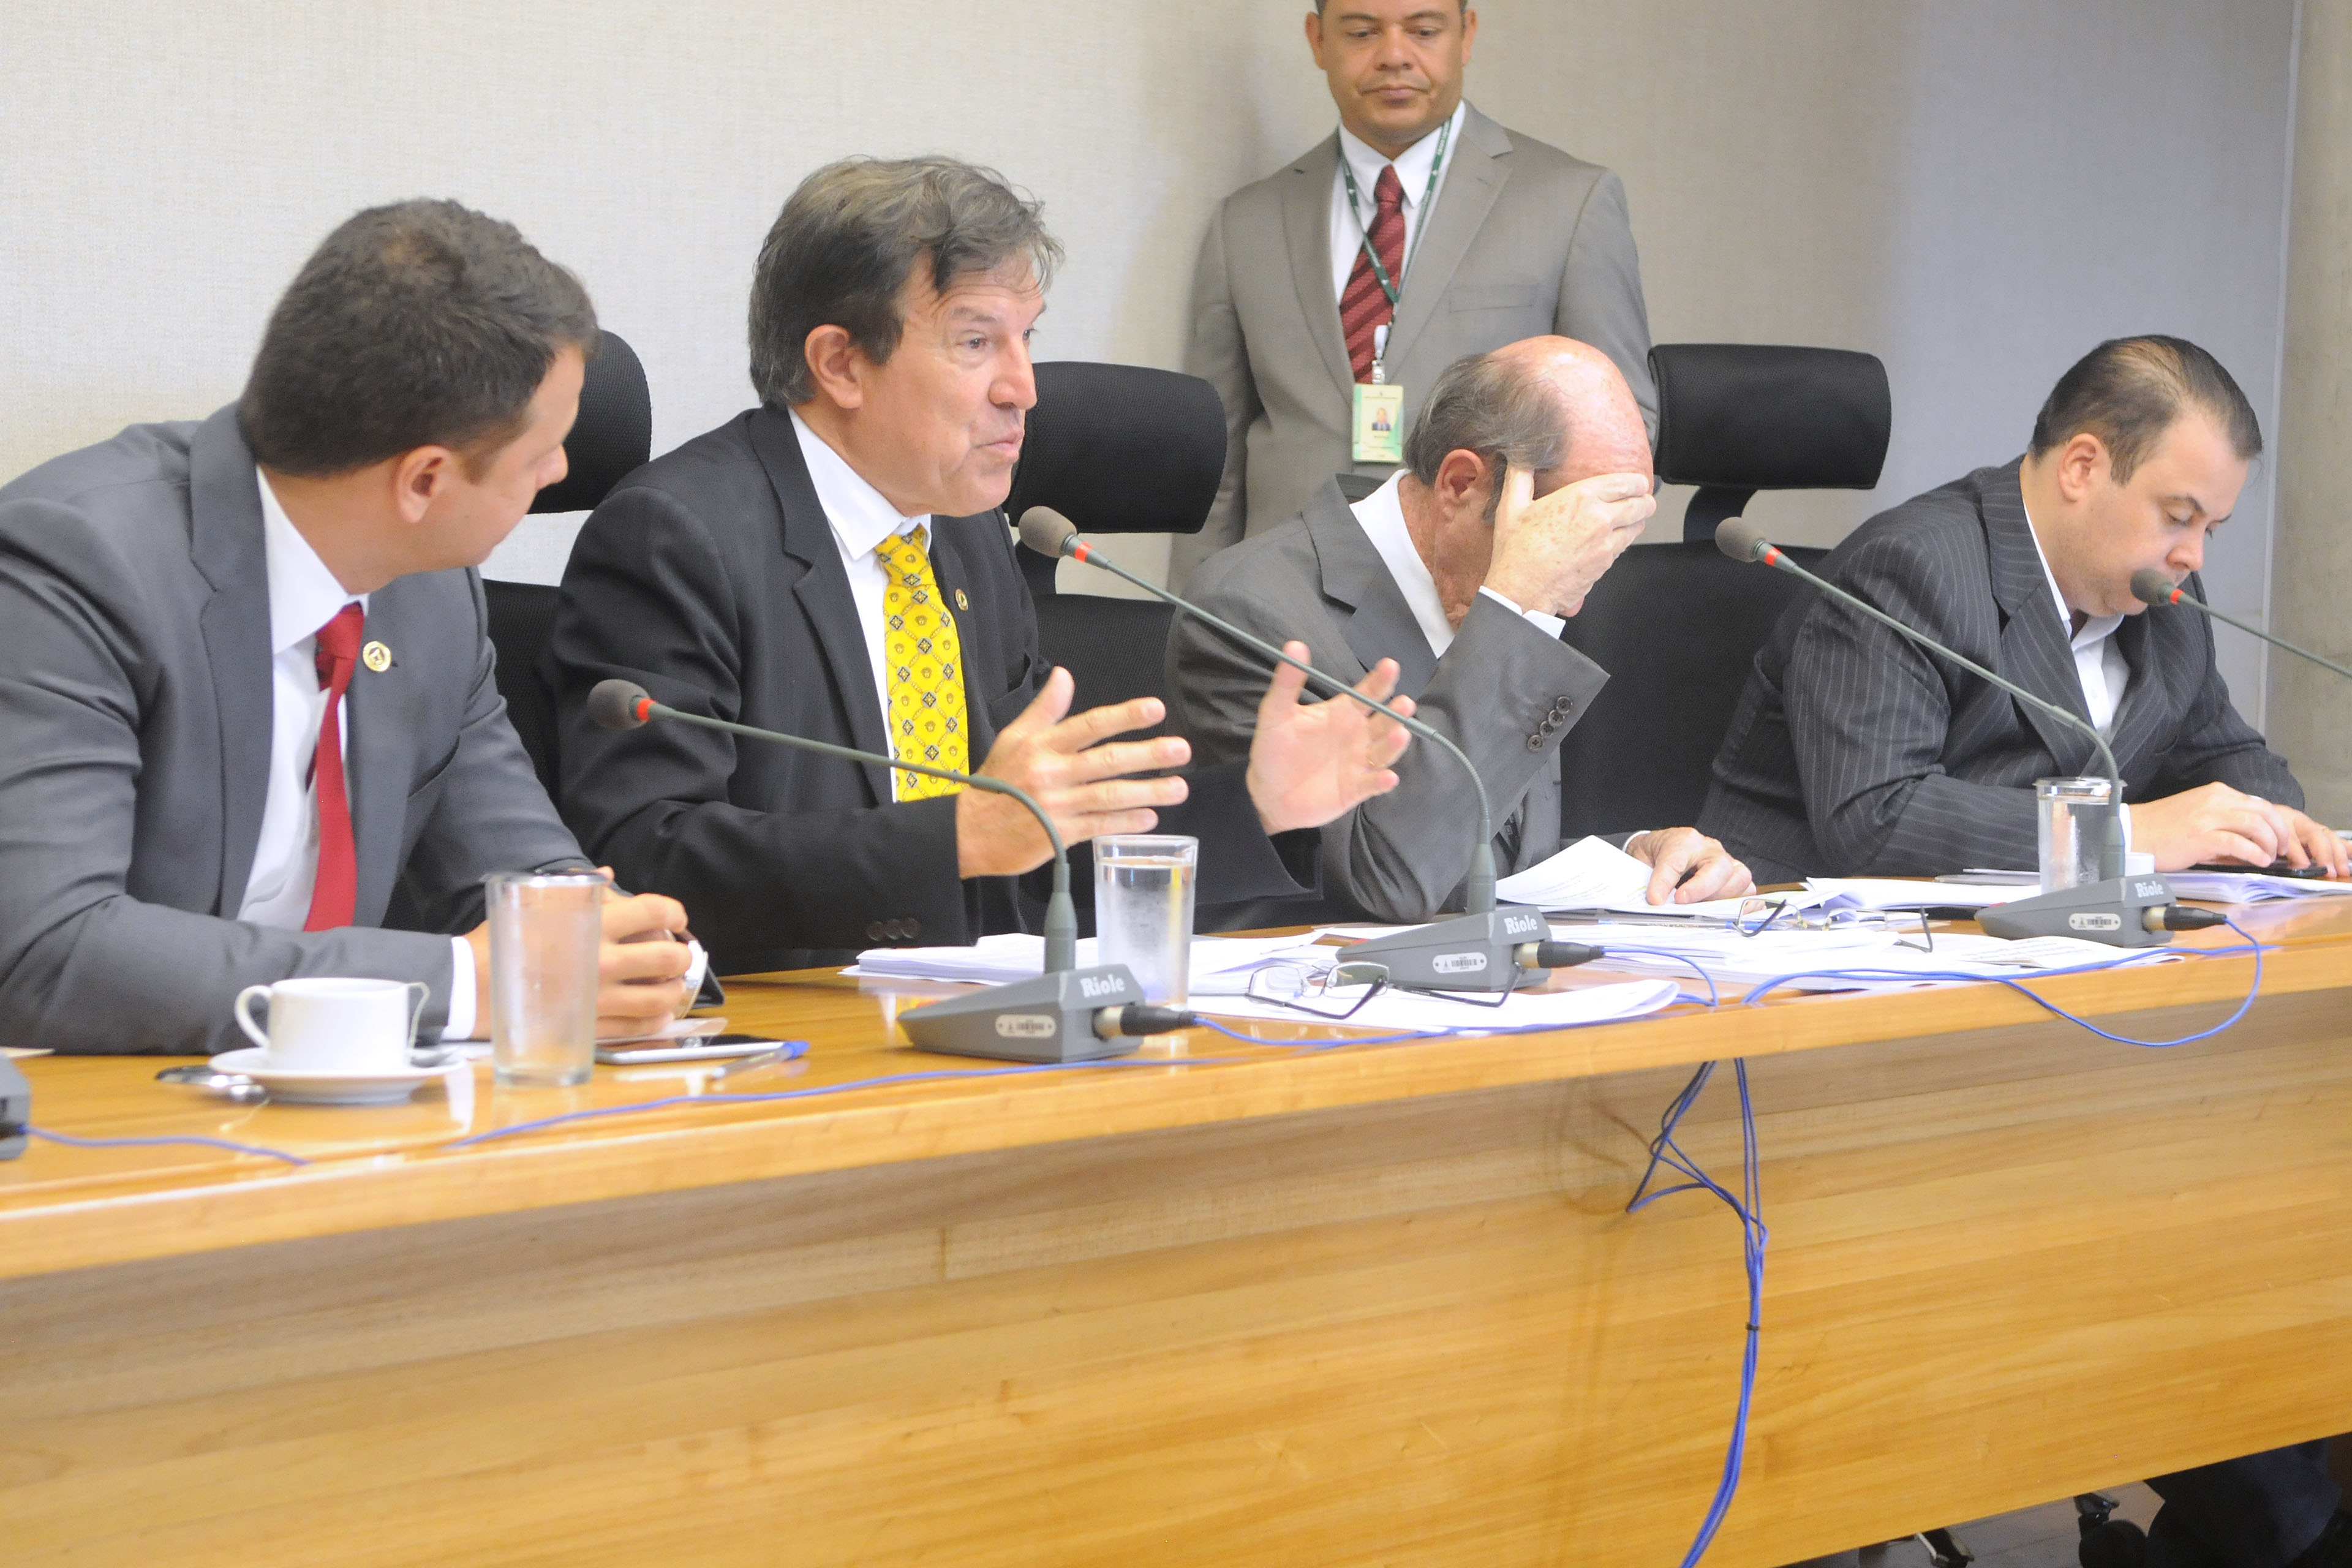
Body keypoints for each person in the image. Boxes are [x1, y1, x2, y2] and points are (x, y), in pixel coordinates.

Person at [546, 156, 1414, 976]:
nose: (1023, 387)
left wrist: (1254, 803)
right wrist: (954, 837)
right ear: (840, 363)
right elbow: (646, 855)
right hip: (786, 1034)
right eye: (975, 343)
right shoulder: (678, 538)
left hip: (973, 1018)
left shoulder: (965, 536)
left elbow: (1032, 843)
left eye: (1025, 338)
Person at [0, 200, 696, 1056]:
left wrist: (622, 950)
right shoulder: (72, 565)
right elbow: (46, 951)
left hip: (346, 1100)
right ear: (424, 481)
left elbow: (517, 871)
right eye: (540, 453)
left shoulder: (434, 591)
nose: (560, 472)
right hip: (95, 1105)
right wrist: (463, 984)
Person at [1702, 335, 2348, 886]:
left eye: (2211, 529)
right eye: (2178, 516)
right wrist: (2129, 831)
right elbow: (1876, 818)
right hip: (1797, 943)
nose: (2193, 556)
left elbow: (2220, 753)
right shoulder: (1911, 569)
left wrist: (2282, 826)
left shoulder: (2163, 597)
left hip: (2040, 949)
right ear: (2082, 468)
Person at [1166, 337, 1752, 926]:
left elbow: (1488, 857)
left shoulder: (1508, 588)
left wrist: (1635, 860)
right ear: (1461, 484)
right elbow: (1388, 881)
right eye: (1564, 535)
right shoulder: (1251, 613)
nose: (1573, 602)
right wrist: (1516, 604)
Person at [1169, 0, 1659, 588]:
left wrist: (1537, 585)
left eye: (1424, 30)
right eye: (1362, 32)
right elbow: (1211, 459)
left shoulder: (1569, 202)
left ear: (1466, 34)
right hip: (1279, 600)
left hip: (1482, 595)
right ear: (1318, 39)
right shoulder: (1245, 222)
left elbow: (1625, 435)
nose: (1394, 56)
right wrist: (1193, 610)